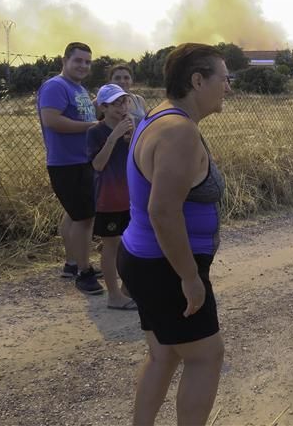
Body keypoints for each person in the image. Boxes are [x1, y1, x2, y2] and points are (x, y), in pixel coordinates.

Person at [117, 43, 230, 426]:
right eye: (223, 78)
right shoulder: (179, 132)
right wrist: (189, 278)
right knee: (205, 356)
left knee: (164, 354)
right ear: (197, 81)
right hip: (166, 267)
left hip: (144, 259)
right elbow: (163, 212)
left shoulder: (158, 117)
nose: (227, 87)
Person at [37, 42, 103, 295]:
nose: (83, 66)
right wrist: (92, 127)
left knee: (75, 214)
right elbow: (52, 121)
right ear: (64, 60)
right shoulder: (56, 86)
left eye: (87, 62)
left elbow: (85, 117)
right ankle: (84, 274)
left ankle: (72, 264)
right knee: (85, 218)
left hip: (81, 160)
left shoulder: (79, 89)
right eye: (78, 60)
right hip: (67, 164)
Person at [87, 83, 137, 310]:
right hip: (108, 200)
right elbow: (97, 165)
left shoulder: (129, 129)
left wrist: (133, 136)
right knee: (112, 246)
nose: (122, 107)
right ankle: (114, 296)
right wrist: (114, 137)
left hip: (130, 197)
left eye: (124, 101)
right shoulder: (95, 132)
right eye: (116, 103)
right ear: (103, 107)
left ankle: (128, 290)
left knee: (131, 245)